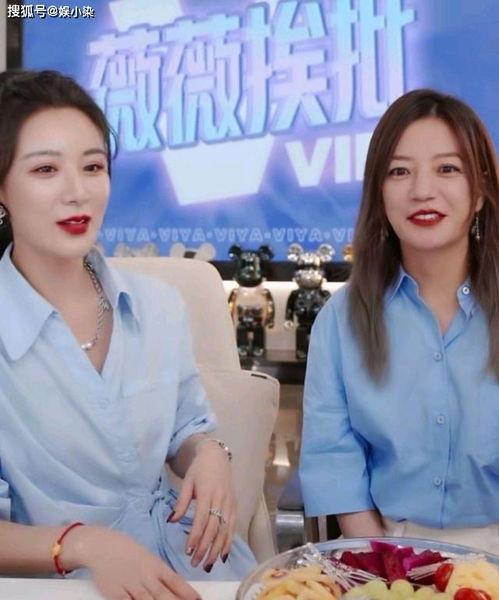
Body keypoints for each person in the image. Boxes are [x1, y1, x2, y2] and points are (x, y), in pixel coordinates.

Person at [0, 69, 256, 599]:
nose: (78, 192)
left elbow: (186, 429)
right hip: (61, 586)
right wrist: (82, 544)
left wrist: (208, 453)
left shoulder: (159, 305)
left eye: (93, 166)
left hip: (194, 567)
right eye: (46, 169)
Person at [299, 89, 499, 554]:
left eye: (447, 169)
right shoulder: (341, 321)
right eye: (399, 171)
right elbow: (334, 459)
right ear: (379, 192)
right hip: (387, 548)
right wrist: (383, 563)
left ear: (480, 191)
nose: (422, 190)